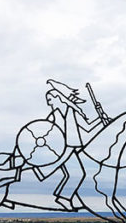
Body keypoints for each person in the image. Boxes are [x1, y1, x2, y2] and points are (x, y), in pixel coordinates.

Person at [43, 79, 102, 210]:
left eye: (50, 99)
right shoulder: (53, 116)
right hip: (62, 149)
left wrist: (100, 119)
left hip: (71, 147)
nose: (48, 102)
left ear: (57, 97)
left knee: (79, 173)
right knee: (77, 173)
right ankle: (64, 198)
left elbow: (88, 128)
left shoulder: (72, 112)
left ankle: (64, 198)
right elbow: (45, 131)